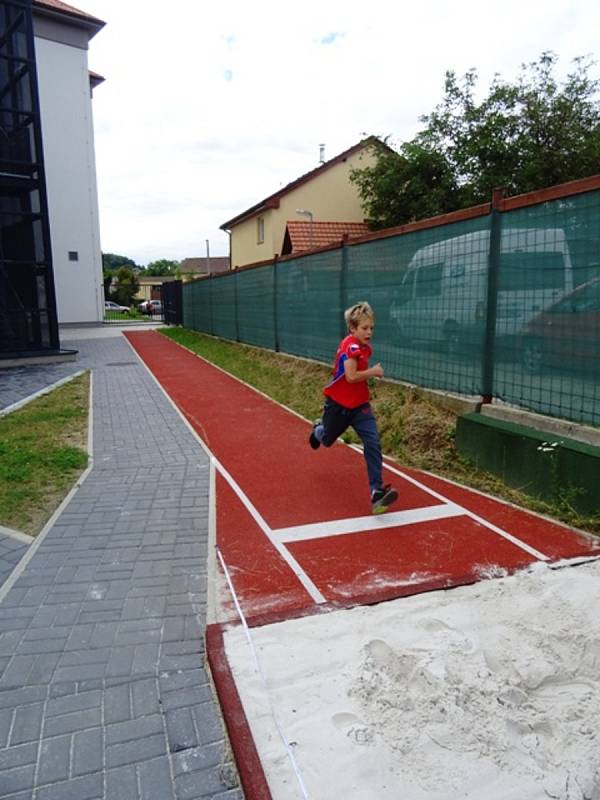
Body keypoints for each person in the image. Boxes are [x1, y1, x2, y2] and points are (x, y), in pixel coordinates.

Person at [309, 301, 398, 515]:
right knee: (327, 440)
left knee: (373, 442)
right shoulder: (349, 346)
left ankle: (376, 492)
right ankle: (318, 430)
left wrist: (368, 377)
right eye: (364, 328)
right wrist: (374, 372)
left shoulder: (366, 348)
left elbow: (357, 379)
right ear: (352, 328)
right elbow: (350, 377)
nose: (369, 332)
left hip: (359, 407)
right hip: (338, 406)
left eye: (371, 328)